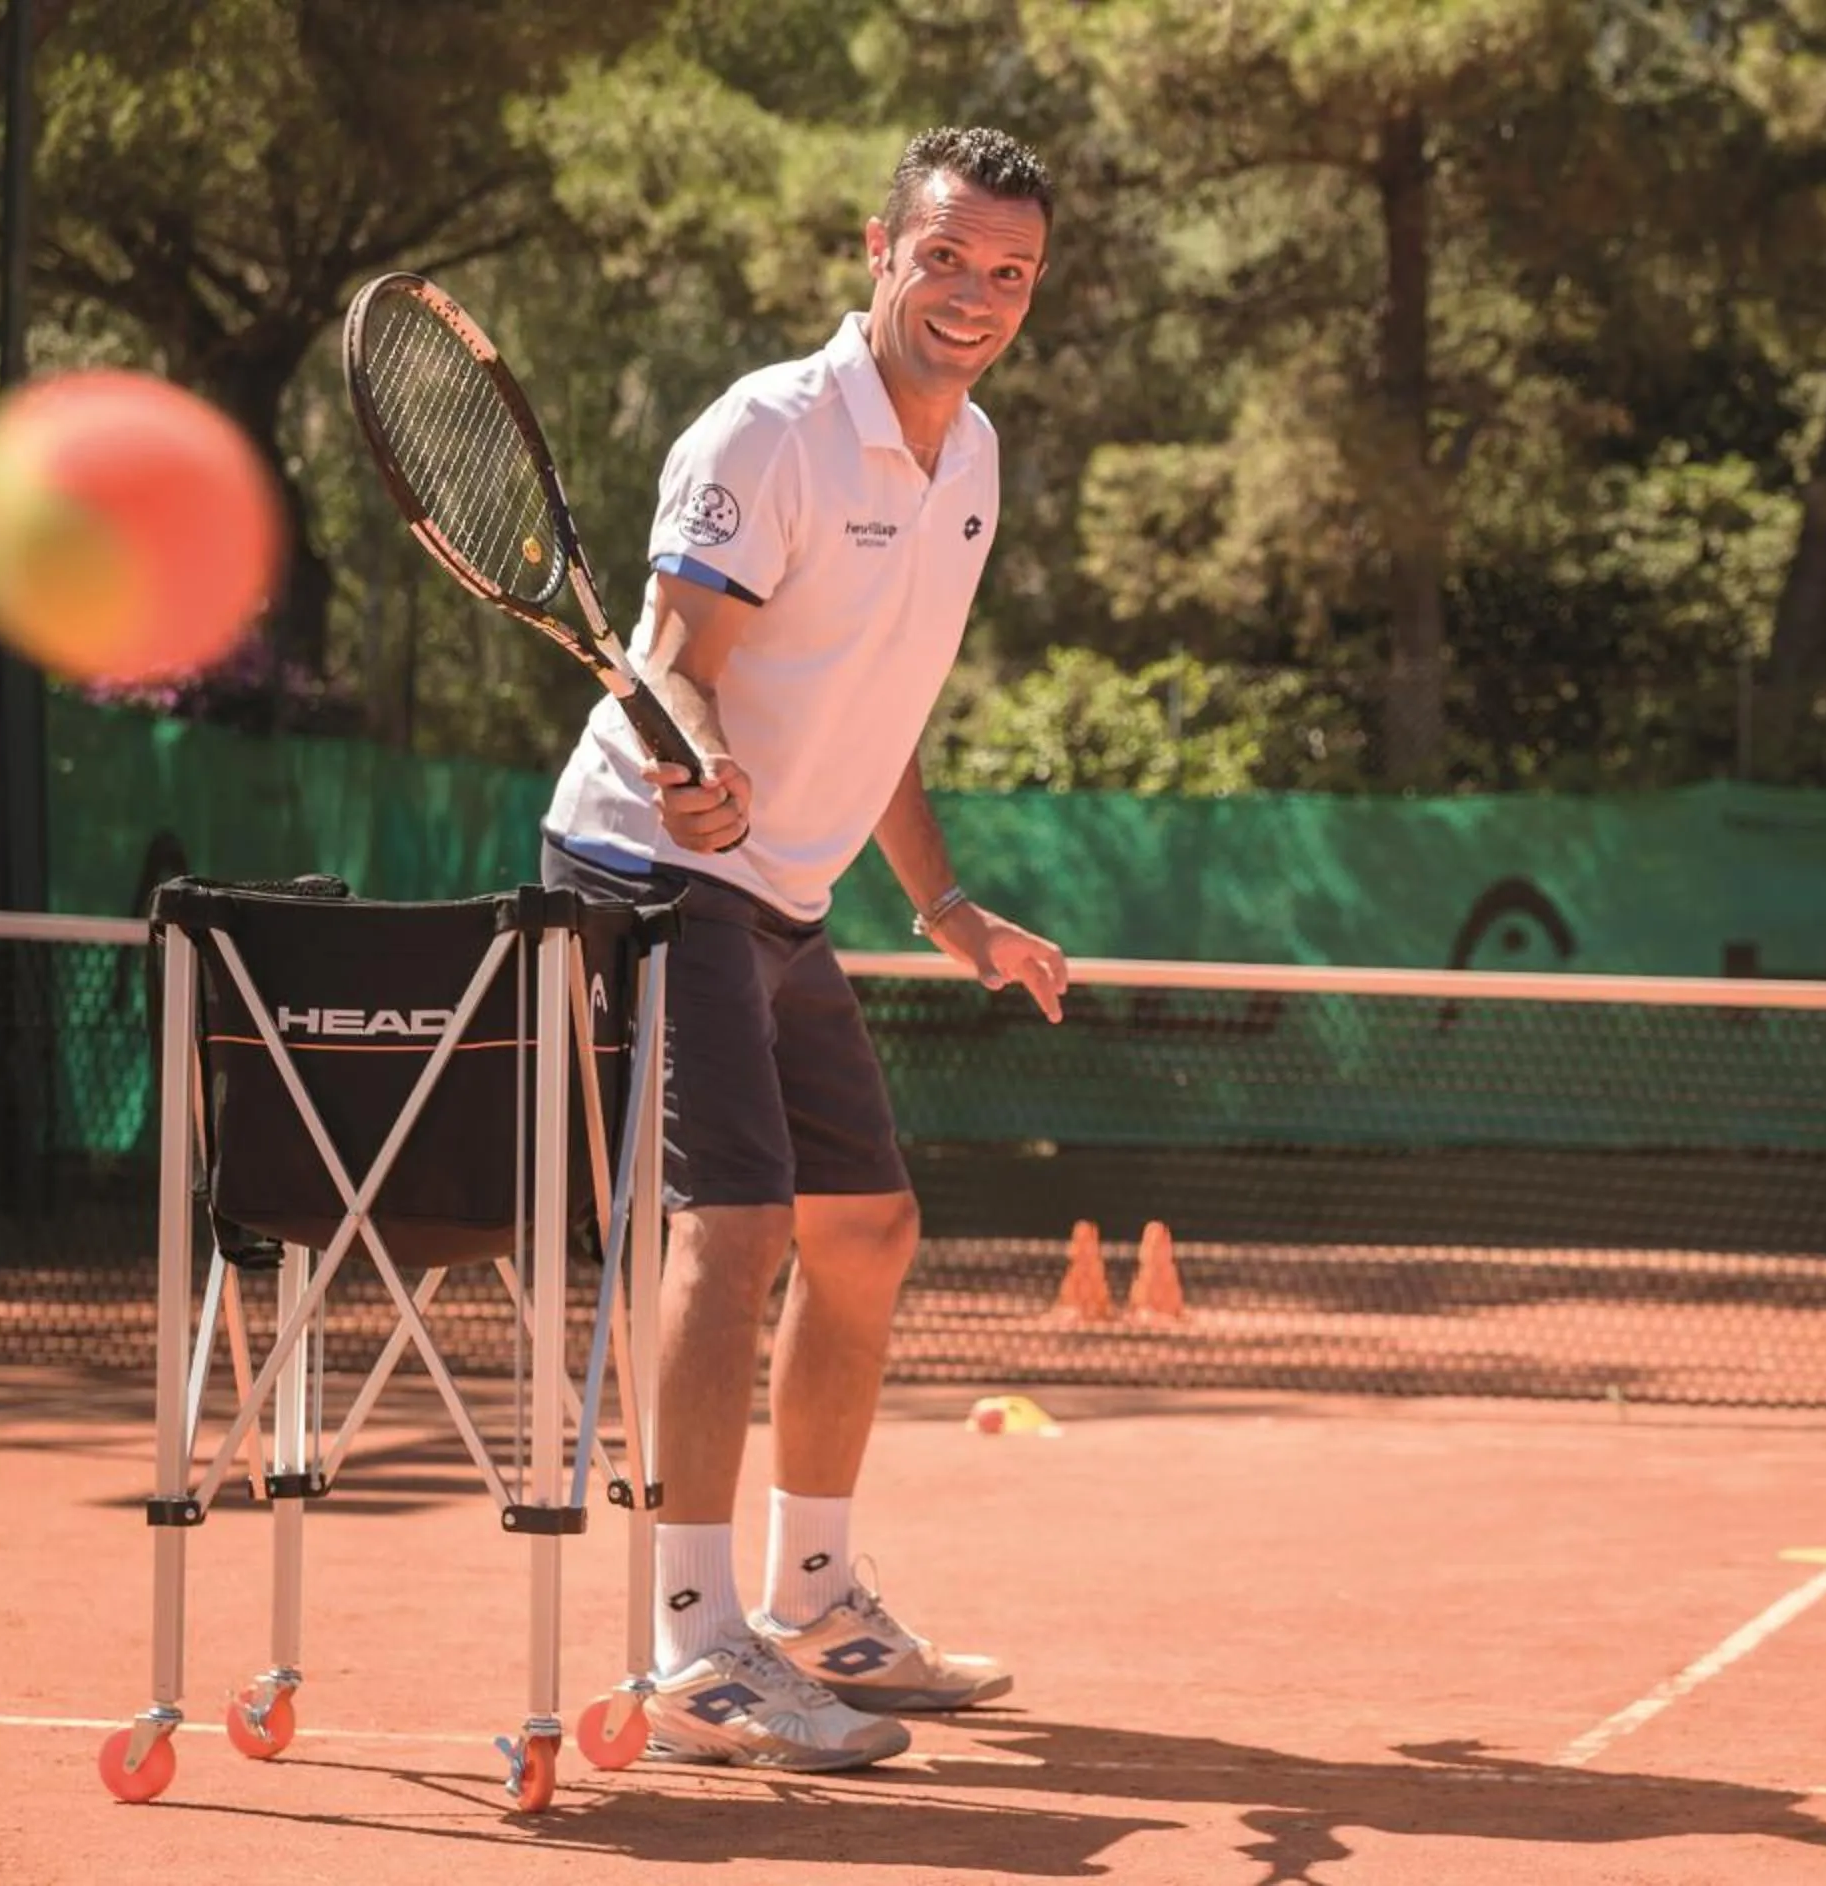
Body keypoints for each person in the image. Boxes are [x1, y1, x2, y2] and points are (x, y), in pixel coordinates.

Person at [539, 125, 1071, 1772]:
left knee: (869, 1227)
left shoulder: (972, 458)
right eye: (946, 256)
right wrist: (697, 765)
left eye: (1011, 272)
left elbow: (876, 706)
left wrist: (948, 906)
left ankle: (818, 1600)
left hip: (785, 894)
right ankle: (694, 1649)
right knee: (738, 1228)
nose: (975, 294)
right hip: (653, 866)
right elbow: (672, 655)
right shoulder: (768, 430)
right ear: (878, 250)